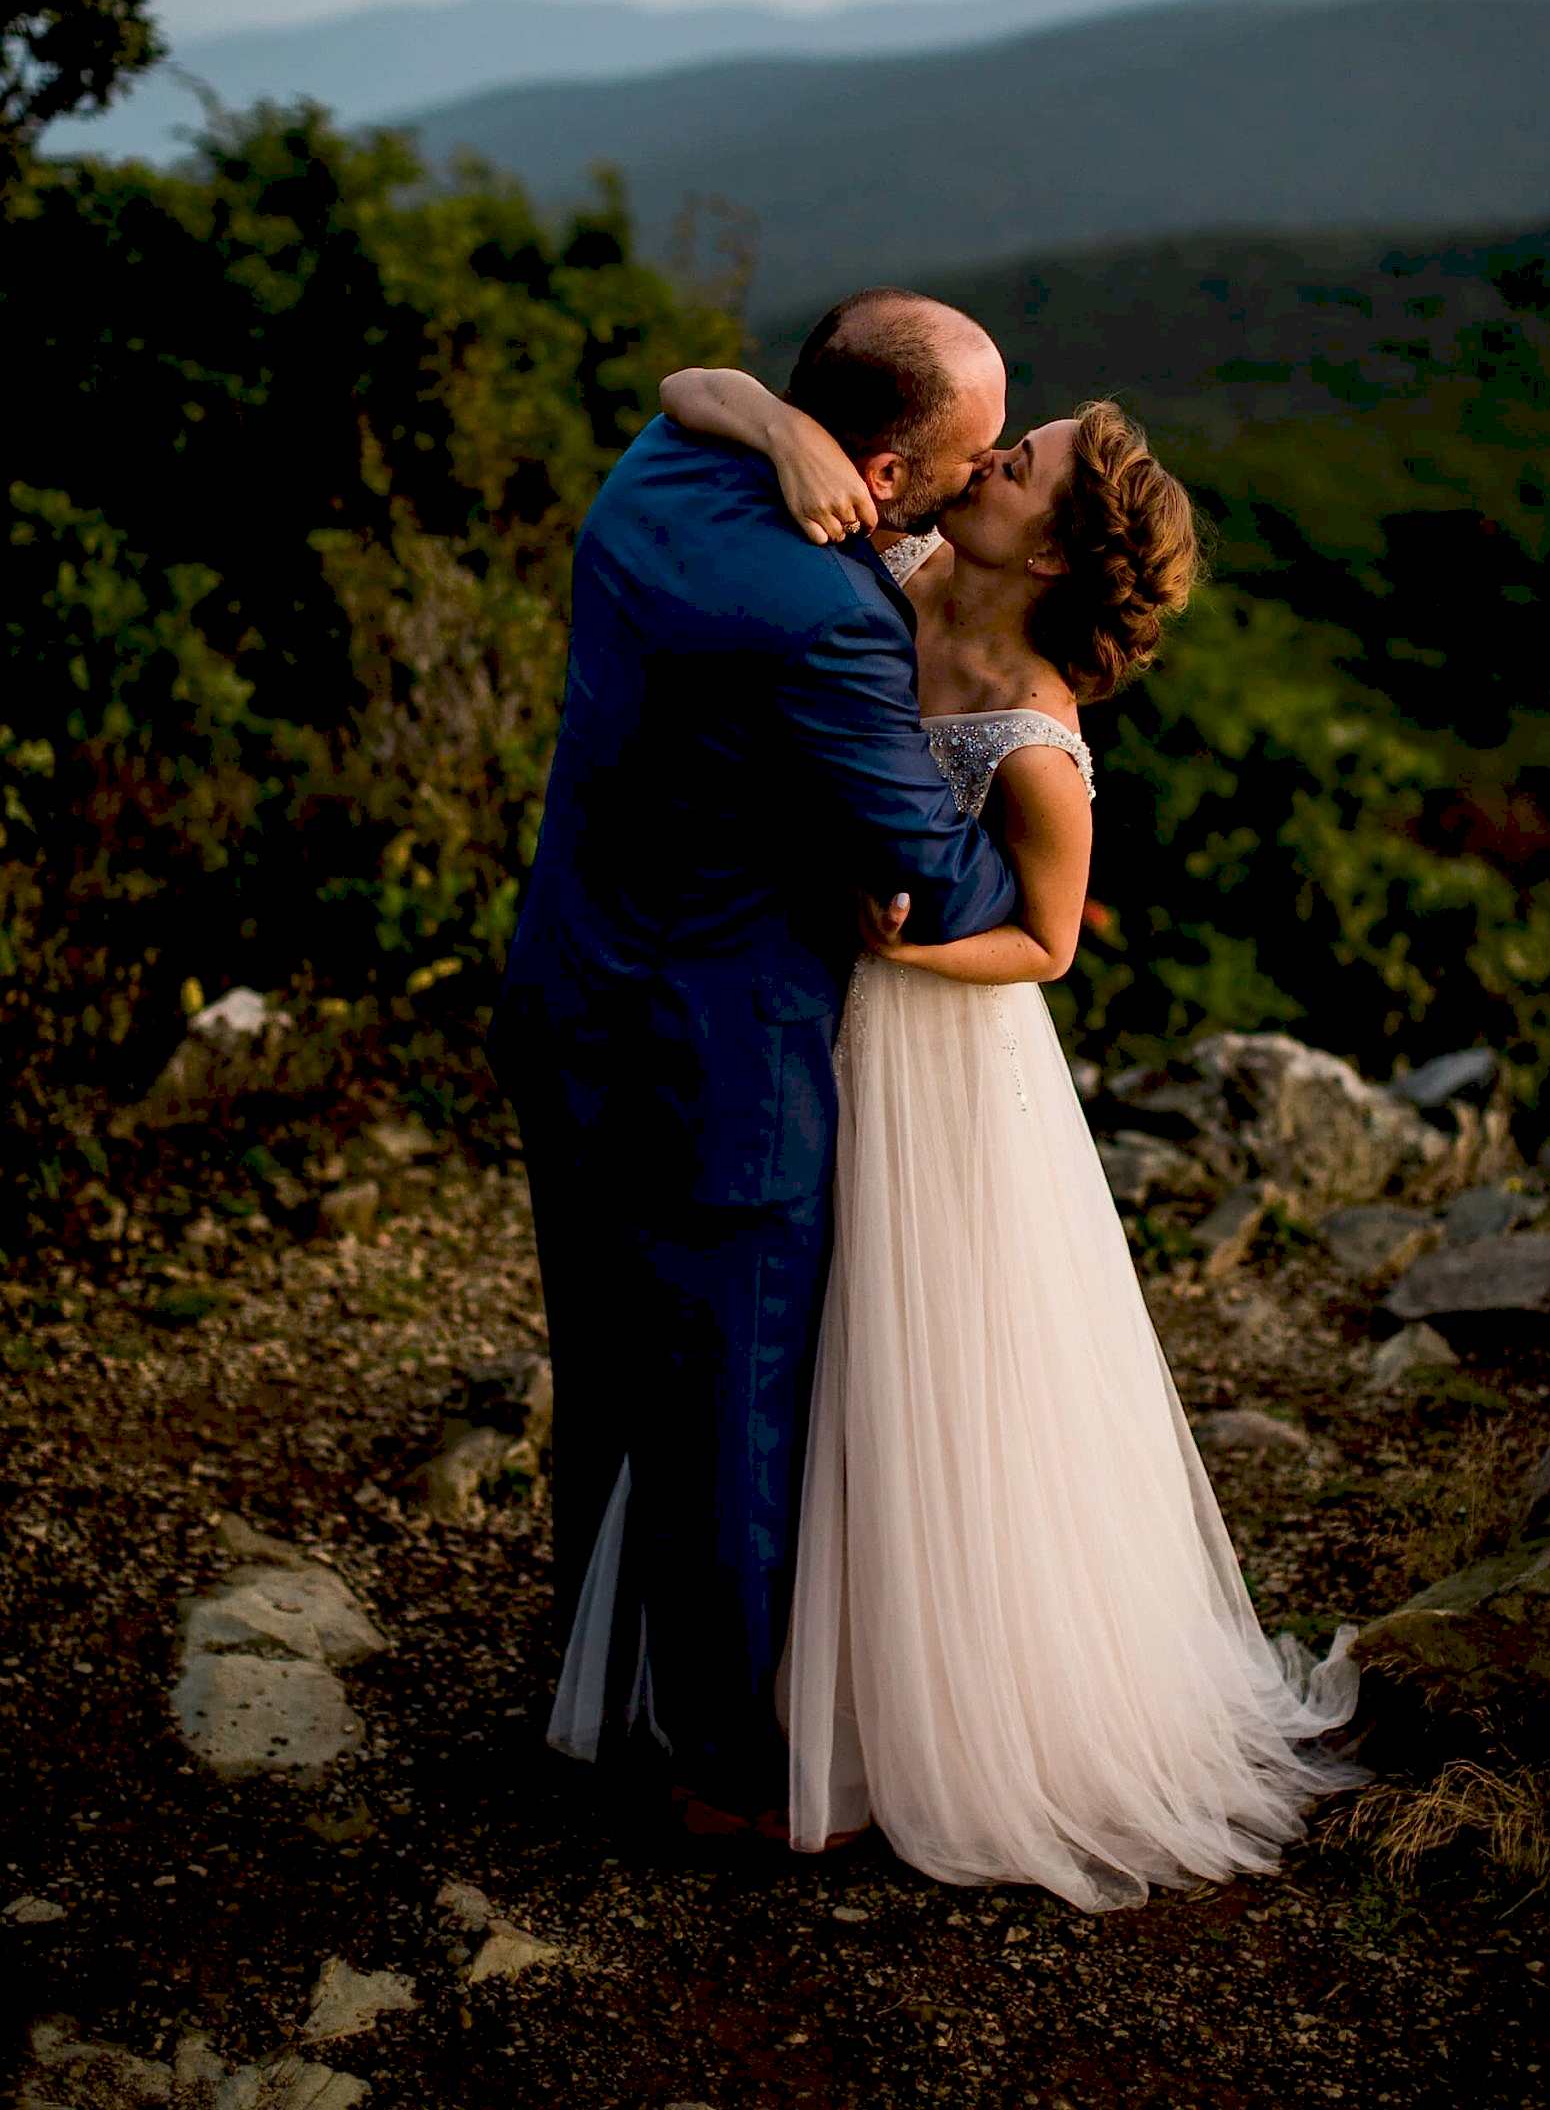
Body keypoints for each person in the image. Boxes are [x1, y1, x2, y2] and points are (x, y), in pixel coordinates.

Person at [649, 363, 1370, 1910]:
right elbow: (688, 385)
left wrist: (902, 951)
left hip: (938, 1062)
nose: (985, 458)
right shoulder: (898, 571)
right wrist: (781, 425)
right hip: (793, 1015)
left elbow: (1047, 947)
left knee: (918, 1363)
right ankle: (774, 1676)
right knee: (792, 1339)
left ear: (1044, 551)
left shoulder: (1036, 748)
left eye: (1017, 462)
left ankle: (922, 1719)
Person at [486, 289, 1020, 1837]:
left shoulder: (660, 468)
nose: (989, 475)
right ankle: (721, 1761)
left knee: (608, 1374)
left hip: (568, 996)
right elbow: (929, 863)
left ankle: (606, 1685)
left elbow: (688, 384)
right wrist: (1044, 786)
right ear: (880, 462)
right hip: (708, 1064)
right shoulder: (831, 615)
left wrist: (762, 417)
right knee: (737, 1402)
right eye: (976, 452)